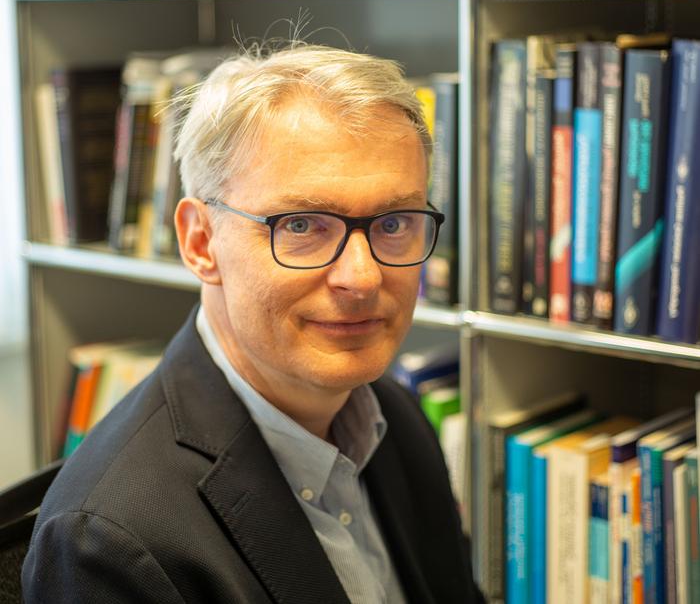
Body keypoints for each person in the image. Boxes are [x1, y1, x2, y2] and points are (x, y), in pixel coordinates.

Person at [22, 43, 483, 603]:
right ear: (201, 242)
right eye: (302, 225)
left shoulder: (396, 417)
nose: (362, 278)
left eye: (394, 223)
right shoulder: (109, 542)